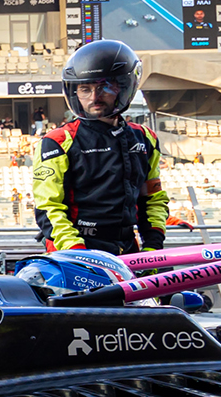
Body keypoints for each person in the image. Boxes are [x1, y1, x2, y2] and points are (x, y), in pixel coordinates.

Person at [32, 40, 167, 255]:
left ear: (123, 87)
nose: (94, 97)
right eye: (85, 89)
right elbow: (48, 208)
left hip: (127, 247)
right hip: (73, 248)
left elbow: (152, 199)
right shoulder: (58, 141)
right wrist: (77, 251)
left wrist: (153, 247)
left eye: (104, 87)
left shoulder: (145, 138)